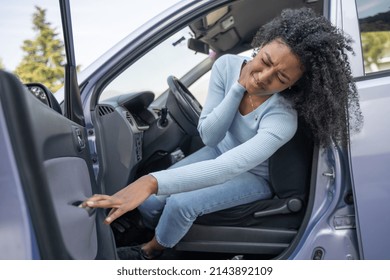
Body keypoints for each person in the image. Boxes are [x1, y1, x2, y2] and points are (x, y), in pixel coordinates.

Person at [83, 7, 363, 259]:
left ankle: (152, 250)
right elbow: (211, 137)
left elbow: (226, 168)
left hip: (254, 175)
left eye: (281, 78)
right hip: (218, 149)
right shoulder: (226, 66)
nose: (265, 76)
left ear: (294, 84)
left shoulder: (282, 119)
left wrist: (150, 181)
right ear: (262, 45)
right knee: (153, 202)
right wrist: (238, 88)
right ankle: (143, 231)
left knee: (180, 204)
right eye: (265, 61)